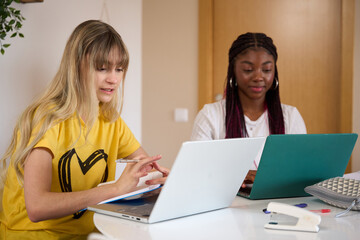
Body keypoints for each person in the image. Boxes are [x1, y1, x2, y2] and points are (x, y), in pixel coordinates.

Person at [0, 20, 168, 239]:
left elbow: (145, 171)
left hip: (88, 234)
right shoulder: (45, 119)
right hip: (32, 234)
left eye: (119, 69)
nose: (114, 79)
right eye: (102, 68)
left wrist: (158, 183)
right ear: (76, 66)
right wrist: (115, 189)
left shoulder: (111, 121)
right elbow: (37, 207)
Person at [191, 32, 306, 186]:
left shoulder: (291, 116)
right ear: (233, 71)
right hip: (226, 205)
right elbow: (195, 171)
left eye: (266, 70)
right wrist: (236, 175)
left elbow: (301, 170)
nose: (258, 77)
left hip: (277, 204)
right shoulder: (210, 115)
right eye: (248, 69)